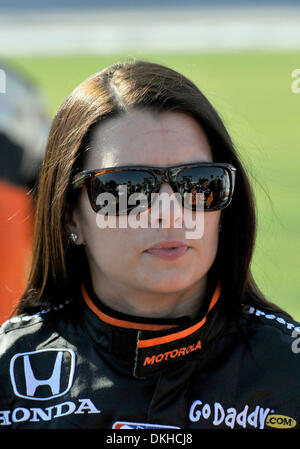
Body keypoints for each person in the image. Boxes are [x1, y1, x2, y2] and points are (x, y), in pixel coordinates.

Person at [0, 60, 299, 430]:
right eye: (127, 189)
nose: (170, 214)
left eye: (199, 183)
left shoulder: (290, 370)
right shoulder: (7, 373)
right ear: (69, 217)